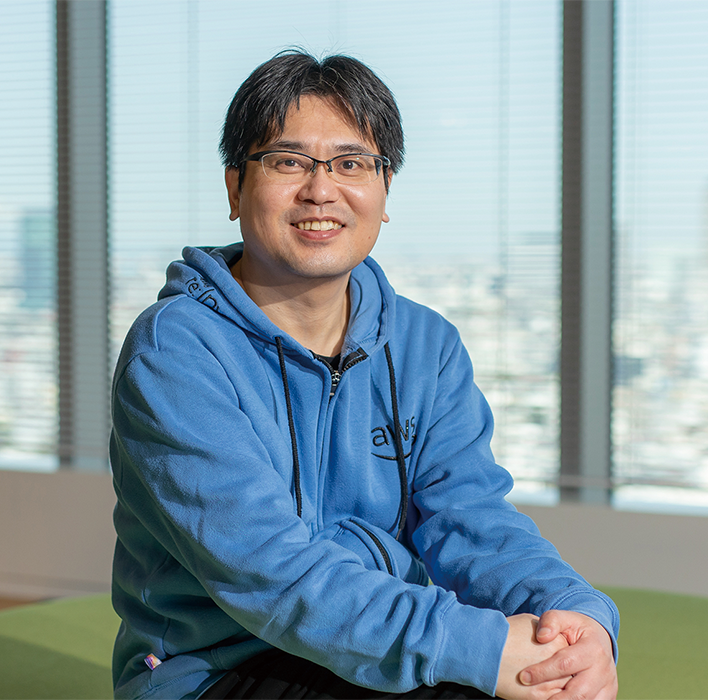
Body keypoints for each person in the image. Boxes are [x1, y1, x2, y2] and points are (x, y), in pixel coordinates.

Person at [111, 50, 619, 700]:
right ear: (235, 187)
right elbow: (276, 575)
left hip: (377, 647)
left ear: (384, 194)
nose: (321, 190)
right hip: (218, 670)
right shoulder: (176, 350)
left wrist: (577, 620)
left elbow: (471, 520)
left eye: (351, 164)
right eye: (289, 161)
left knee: (544, 678)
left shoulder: (424, 345)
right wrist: (485, 649)